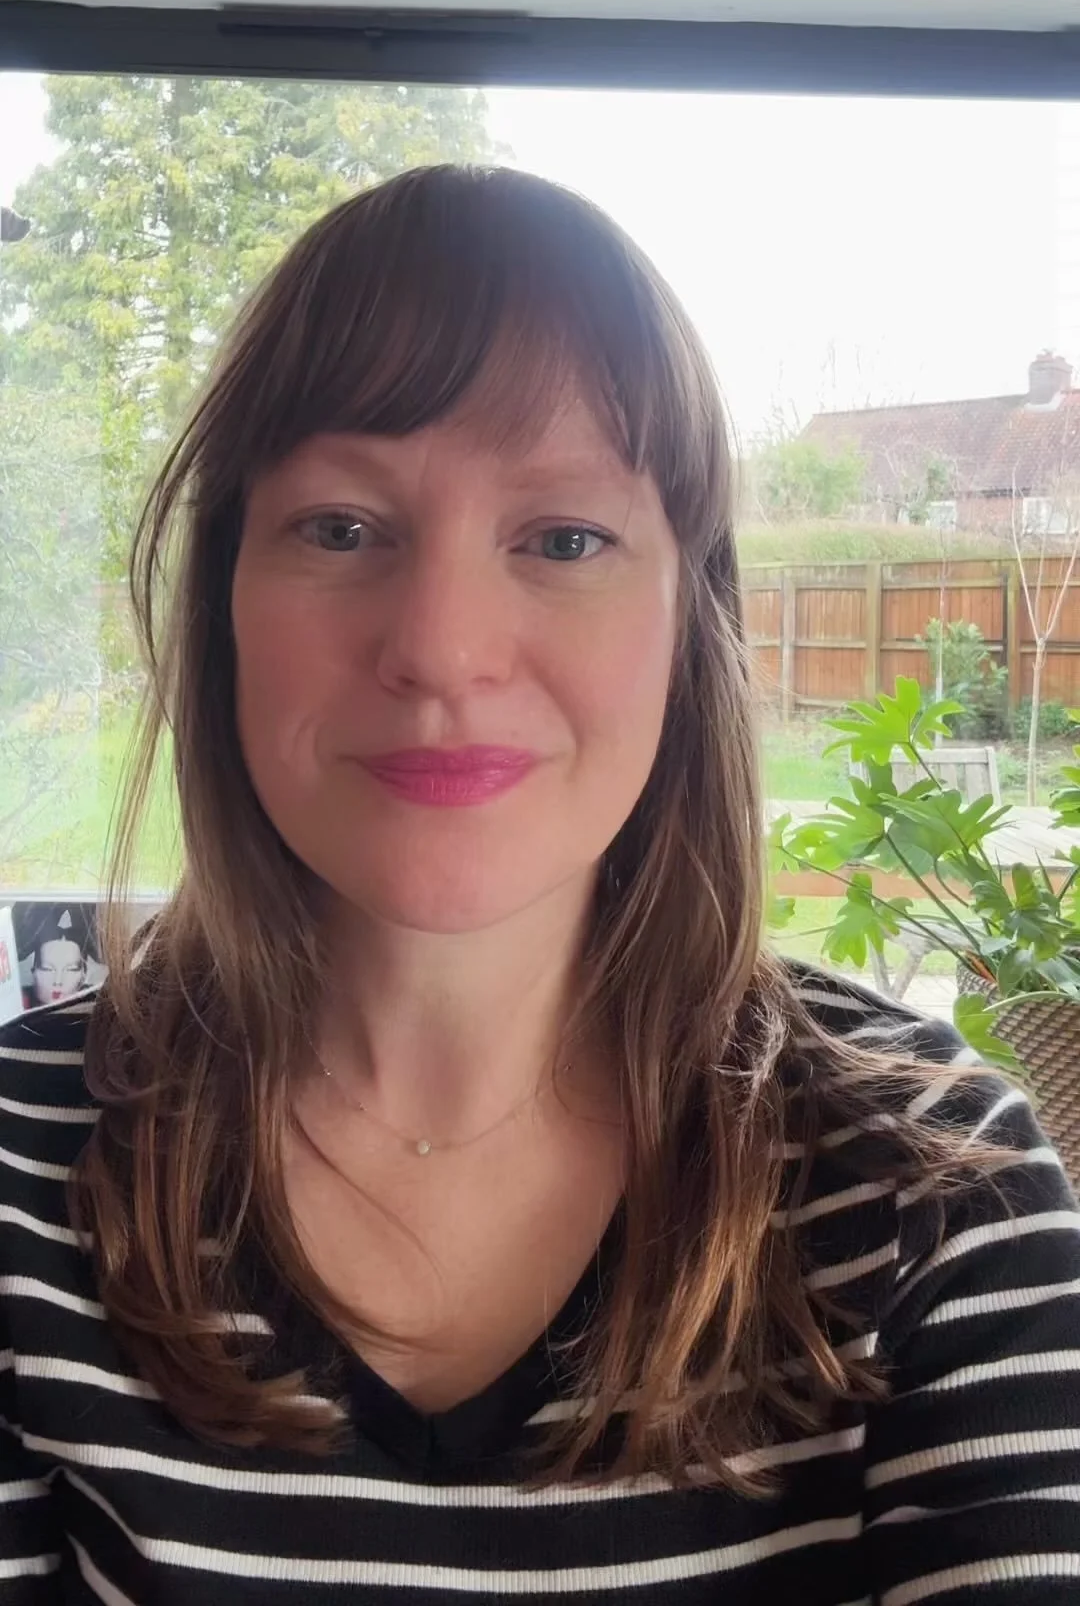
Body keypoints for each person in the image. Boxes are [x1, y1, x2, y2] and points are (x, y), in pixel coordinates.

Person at [0, 165, 1077, 1604]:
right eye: (341, 527)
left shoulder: (941, 1194)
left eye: (564, 538)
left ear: (688, 624)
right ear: (222, 602)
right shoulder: (20, 1184)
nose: (442, 648)